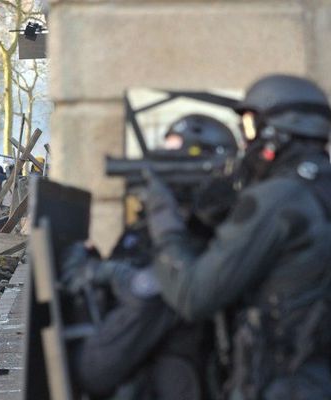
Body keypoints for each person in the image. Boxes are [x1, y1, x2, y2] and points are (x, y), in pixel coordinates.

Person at [145, 75, 331, 399]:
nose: (247, 143)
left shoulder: (276, 199)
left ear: (273, 132)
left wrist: (165, 224)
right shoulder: (317, 189)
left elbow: (194, 295)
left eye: (249, 127)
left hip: (283, 382)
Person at [66, 114, 239, 400]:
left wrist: (95, 272)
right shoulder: (163, 235)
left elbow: (95, 370)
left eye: (171, 158)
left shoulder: (184, 251)